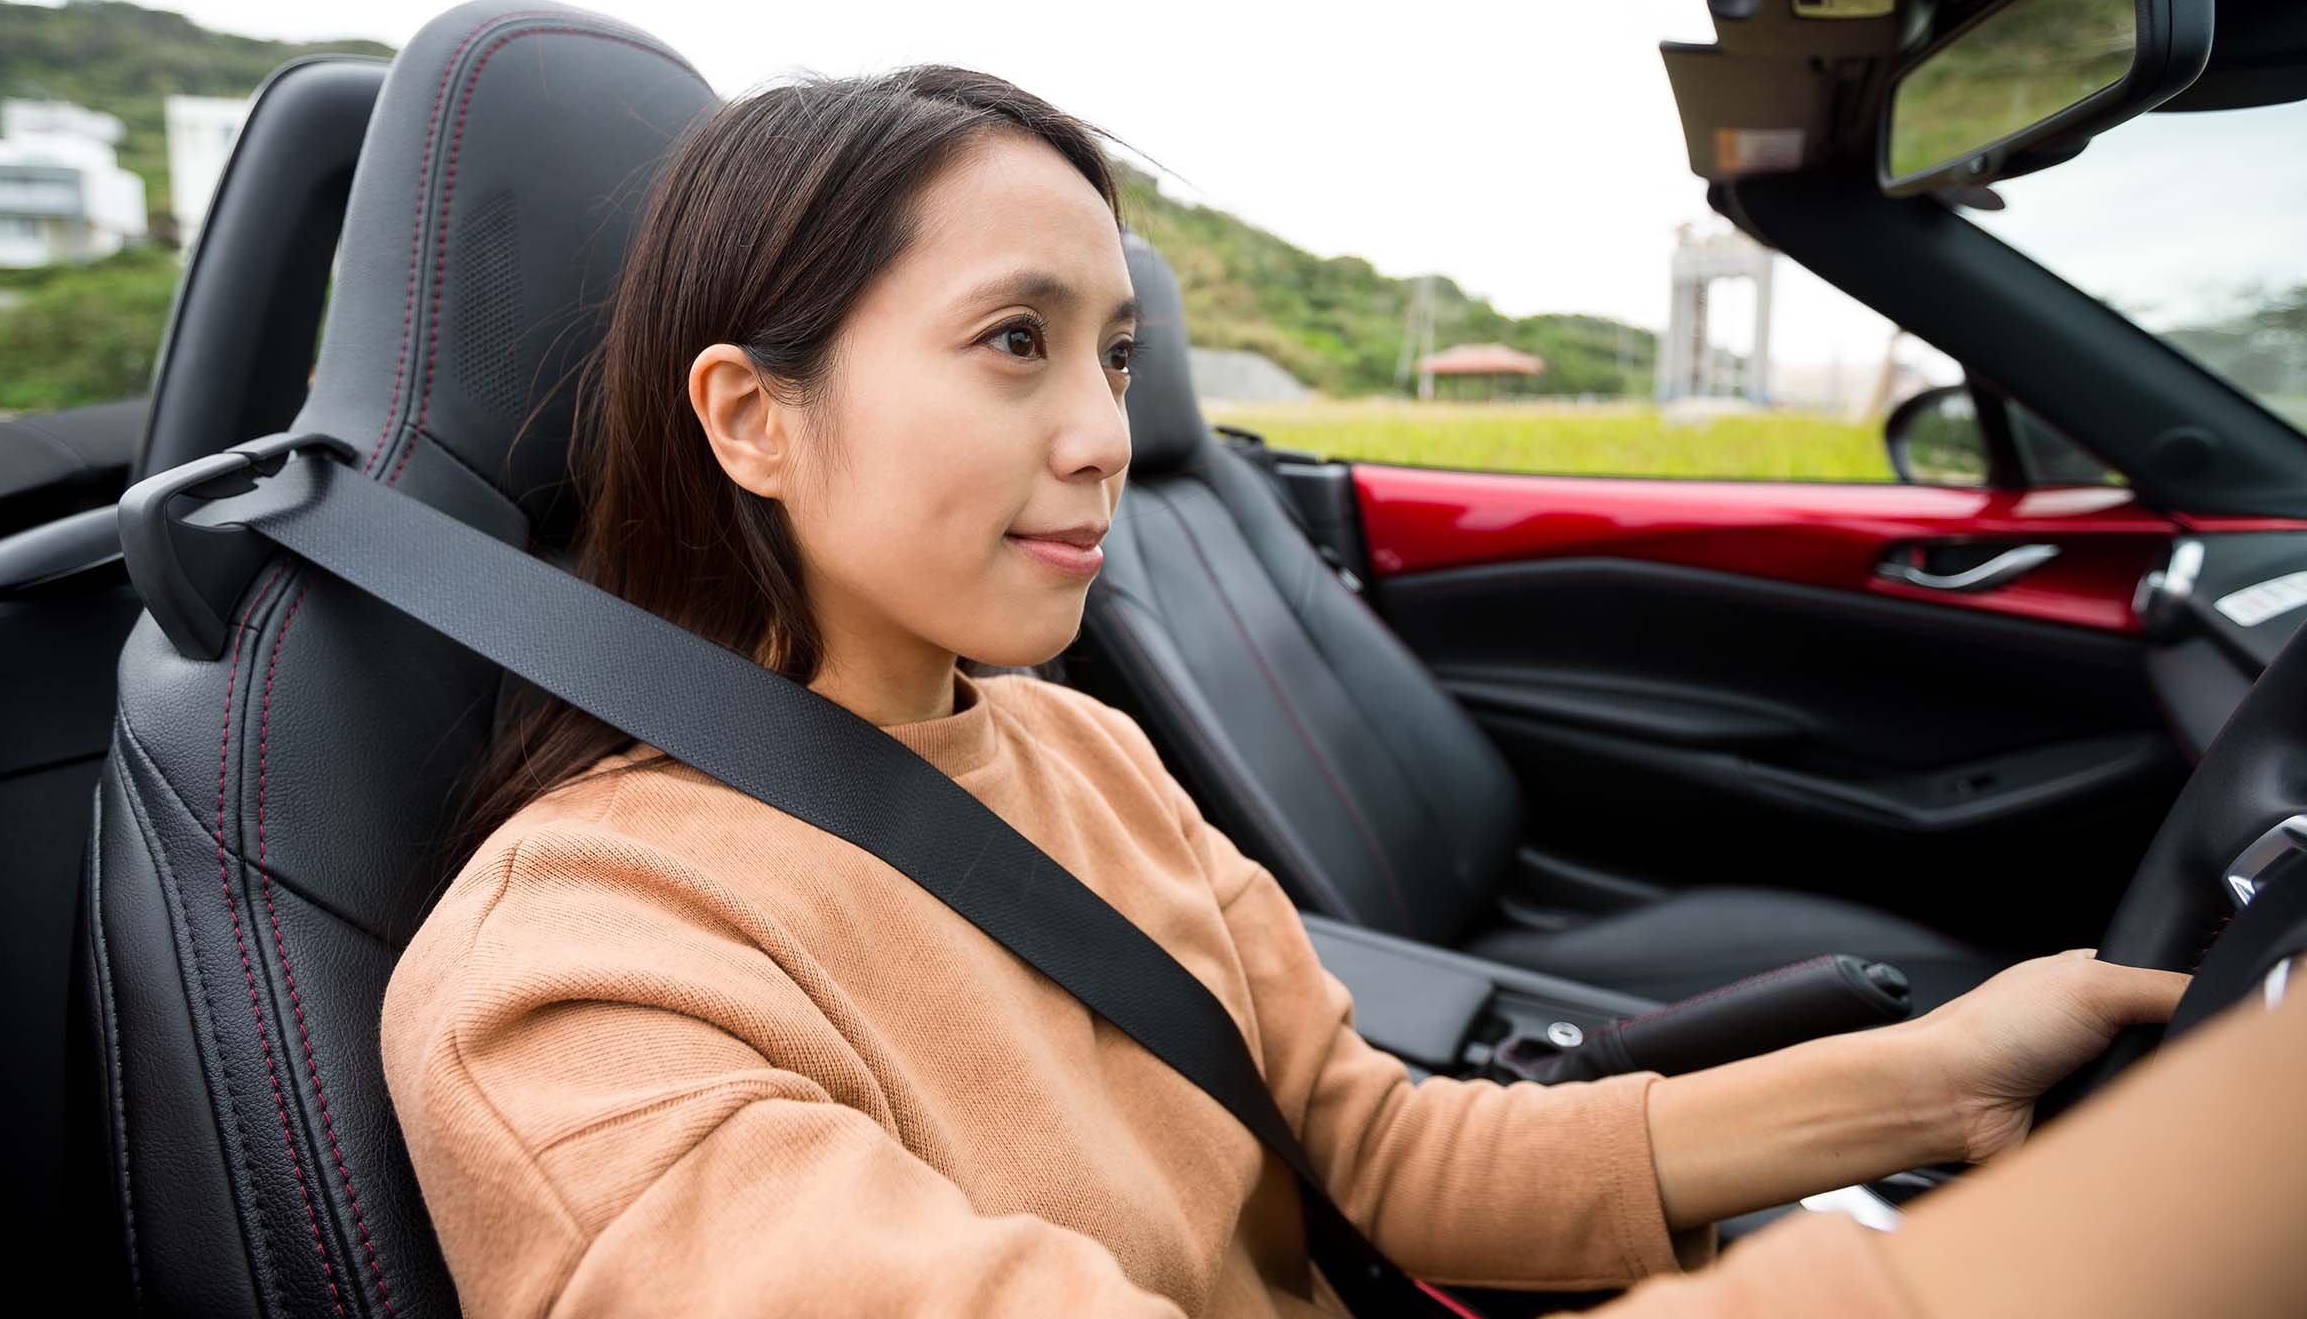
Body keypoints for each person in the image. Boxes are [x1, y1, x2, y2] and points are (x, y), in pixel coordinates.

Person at [378, 66, 2265, 1317]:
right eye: (1014, 344)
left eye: (1114, 353)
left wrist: (1930, 1086)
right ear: (752, 415)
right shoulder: (574, 987)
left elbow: (1375, 1145)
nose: (1106, 435)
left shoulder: (1076, 751)